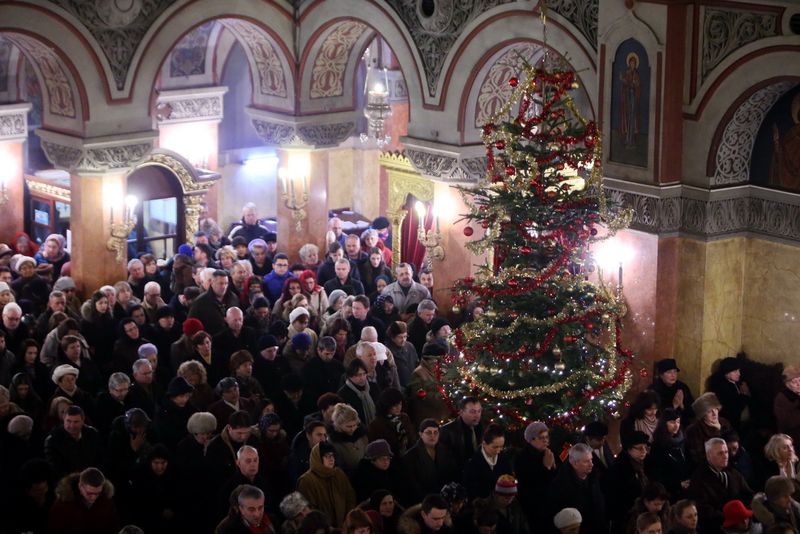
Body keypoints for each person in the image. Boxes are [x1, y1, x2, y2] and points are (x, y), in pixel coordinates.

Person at [687, 437, 753, 532]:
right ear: (708, 455)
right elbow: (702, 508)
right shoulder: (699, 478)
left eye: (726, 452)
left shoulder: (734, 473)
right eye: (720, 453)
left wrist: (743, 513)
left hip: (741, 522)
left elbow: (747, 494)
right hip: (716, 527)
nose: (725, 456)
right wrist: (729, 517)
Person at [547, 443, 608, 534]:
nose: (591, 464)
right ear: (575, 463)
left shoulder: (594, 477)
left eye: (591, 460)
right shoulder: (560, 485)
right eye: (586, 461)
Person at [296, 440, 357, 528]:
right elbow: (309, 509)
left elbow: (350, 496)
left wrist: (348, 519)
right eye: (326, 456)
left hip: (344, 525)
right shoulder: (306, 480)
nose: (331, 459)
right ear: (318, 458)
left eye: (332, 455)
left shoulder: (338, 473)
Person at [515, 421, 560, 531]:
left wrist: (553, 468)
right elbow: (530, 483)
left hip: (551, 505)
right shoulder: (522, 457)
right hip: (534, 507)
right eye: (541, 437)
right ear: (531, 440)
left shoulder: (550, 452)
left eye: (546, 437)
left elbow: (558, 478)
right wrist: (546, 468)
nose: (545, 440)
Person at [47, 467, 119, 534]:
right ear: (80, 487)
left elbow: (113, 528)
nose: (93, 497)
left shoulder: (106, 502)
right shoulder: (63, 505)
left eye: (97, 494)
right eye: (89, 493)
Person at [606, 430, 651, 531]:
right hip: (628, 517)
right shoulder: (619, 469)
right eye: (639, 448)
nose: (644, 451)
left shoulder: (647, 461)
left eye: (645, 447)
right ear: (628, 449)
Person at [646, 408, 690, 501]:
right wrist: (678, 484)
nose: (676, 425)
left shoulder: (683, 440)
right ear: (664, 424)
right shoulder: (658, 445)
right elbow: (656, 475)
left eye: (678, 422)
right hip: (670, 494)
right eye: (672, 422)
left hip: (687, 490)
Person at [463, 423, 514, 500]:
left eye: (501, 447)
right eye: (495, 447)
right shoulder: (473, 462)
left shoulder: (503, 457)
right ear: (484, 444)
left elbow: (509, 477)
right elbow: (471, 489)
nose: (498, 451)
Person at [685, 392, 733, 467]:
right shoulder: (694, 430)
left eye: (716, 409)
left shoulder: (724, 423)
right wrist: (717, 432)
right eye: (709, 411)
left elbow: (732, 445)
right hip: (707, 467)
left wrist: (720, 429)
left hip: (728, 462)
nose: (714, 413)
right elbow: (699, 457)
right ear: (703, 415)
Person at [367, 387, 416, 457]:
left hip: (409, 457)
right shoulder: (375, 425)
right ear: (386, 405)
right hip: (390, 461)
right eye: (394, 405)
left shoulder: (404, 417)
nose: (398, 407)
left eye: (400, 404)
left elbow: (412, 438)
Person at [439, 396, 484, 471]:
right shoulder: (447, 431)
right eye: (472, 412)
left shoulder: (483, 426)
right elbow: (445, 462)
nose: (477, 415)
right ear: (461, 412)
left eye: (479, 411)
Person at [707, 357, 751, 431]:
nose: (739, 374)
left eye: (739, 370)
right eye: (735, 371)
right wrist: (745, 394)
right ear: (726, 373)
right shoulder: (723, 387)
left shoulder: (736, 383)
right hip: (729, 424)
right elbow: (734, 408)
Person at [327, 402, 369, 475]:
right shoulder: (333, 441)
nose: (352, 429)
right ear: (338, 425)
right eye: (349, 426)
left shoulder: (362, 434)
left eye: (355, 425)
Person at [774, 365, 800, 450]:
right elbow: (787, 422)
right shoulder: (781, 397)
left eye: (799, 380)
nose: (798, 384)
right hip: (790, 439)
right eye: (794, 381)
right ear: (787, 384)